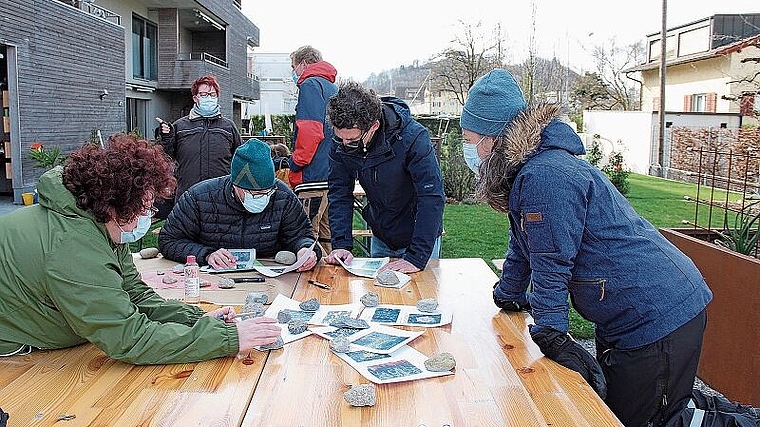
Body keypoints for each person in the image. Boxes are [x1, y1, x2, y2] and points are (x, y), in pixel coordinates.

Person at [460, 69, 758, 427]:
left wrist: (551, 334)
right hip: (634, 309)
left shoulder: (545, 176)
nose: (468, 150)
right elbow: (525, 243)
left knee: (644, 421)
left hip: (654, 312)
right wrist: (508, 293)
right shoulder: (531, 170)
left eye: (469, 138)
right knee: (632, 404)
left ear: (493, 137)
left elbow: (551, 261)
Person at [0, 134, 280, 364]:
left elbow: (133, 293)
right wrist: (229, 339)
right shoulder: (73, 246)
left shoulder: (102, 226)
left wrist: (195, 319)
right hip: (16, 355)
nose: (150, 215)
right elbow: (129, 338)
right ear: (114, 205)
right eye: (145, 208)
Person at [324, 81, 445, 274]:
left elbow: (431, 196)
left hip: (418, 234)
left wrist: (416, 257)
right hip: (381, 232)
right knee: (378, 296)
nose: (345, 144)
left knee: (420, 297)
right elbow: (339, 191)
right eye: (341, 138)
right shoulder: (342, 140)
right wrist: (341, 244)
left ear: (374, 126)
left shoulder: (413, 138)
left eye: (353, 140)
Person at [158, 138, 320, 271]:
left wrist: (305, 250)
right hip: (212, 280)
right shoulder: (199, 197)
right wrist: (206, 254)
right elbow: (169, 240)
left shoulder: (282, 195)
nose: (262, 198)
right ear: (235, 185)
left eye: (267, 192)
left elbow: (302, 235)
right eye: (254, 194)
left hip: (270, 276)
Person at [159, 74, 243, 201]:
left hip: (221, 196)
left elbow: (241, 158)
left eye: (212, 94)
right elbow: (166, 158)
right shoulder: (179, 126)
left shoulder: (228, 126)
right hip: (187, 196)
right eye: (204, 94)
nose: (209, 98)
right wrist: (166, 138)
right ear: (195, 98)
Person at [289, 45, 338, 253]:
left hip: (312, 175)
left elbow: (310, 130)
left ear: (304, 64)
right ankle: (331, 278)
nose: (294, 73)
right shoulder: (332, 88)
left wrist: (296, 162)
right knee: (327, 235)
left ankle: (307, 284)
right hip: (331, 172)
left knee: (306, 235)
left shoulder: (310, 85)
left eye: (294, 67)